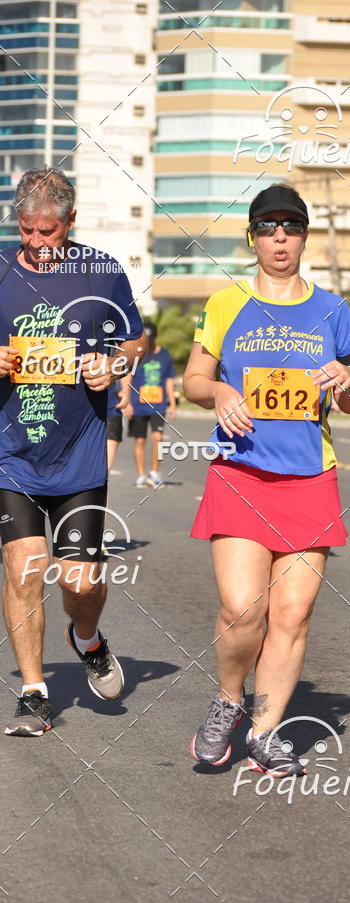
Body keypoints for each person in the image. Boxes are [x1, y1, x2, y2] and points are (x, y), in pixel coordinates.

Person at [183, 183, 350, 777]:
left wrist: (348, 379)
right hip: (240, 472)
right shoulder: (225, 302)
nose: (280, 236)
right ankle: (228, 699)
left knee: (290, 616)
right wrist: (219, 391)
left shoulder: (333, 310)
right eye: (268, 226)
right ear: (253, 236)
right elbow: (192, 380)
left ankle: (265, 733)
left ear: (305, 236)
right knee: (243, 609)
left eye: (290, 226)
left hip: (309, 479)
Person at [0, 168, 146, 737]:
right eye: (27, 231)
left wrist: (112, 364)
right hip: (12, 453)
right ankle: (34, 692)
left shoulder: (102, 271)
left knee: (81, 583)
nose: (36, 243)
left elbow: (133, 338)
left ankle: (85, 637)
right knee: (23, 566)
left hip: (80, 455)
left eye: (48, 232)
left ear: (71, 221)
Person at [126, 322, 176, 490]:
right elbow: (128, 378)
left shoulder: (165, 355)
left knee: (158, 439)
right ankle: (141, 475)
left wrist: (172, 403)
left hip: (159, 405)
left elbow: (169, 380)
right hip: (138, 404)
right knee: (140, 440)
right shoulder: (137, 354)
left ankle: (154, 473)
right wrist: (127, 402)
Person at [106, 375, 131, 472]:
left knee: (112, 439)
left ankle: (102, 480)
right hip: (81, 405)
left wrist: (125, 392)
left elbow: (125, 363)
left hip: (111, 404)